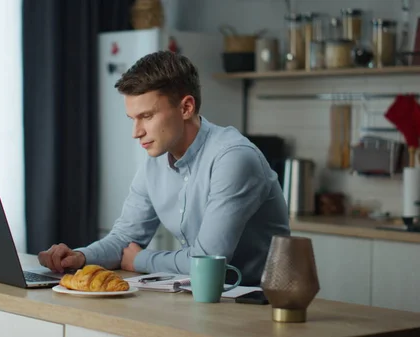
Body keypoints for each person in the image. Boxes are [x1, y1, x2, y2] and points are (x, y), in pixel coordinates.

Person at [38, 50, 290, 286]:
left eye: (146, 116)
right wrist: (79, 257)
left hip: (258, 306)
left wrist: (140, 260)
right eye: (133, 119)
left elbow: (206, 262)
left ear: (186, 107)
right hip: (204, 299)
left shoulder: (233, 158)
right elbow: (124, 239)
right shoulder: (154, 163)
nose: (136, 133)